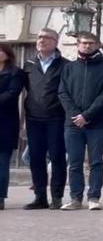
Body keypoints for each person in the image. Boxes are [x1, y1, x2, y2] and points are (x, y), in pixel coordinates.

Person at [58, 32, 103, 211]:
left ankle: (94, 197)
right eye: (84, 43)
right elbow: (62, 93)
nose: (87, 46)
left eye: (91, 43)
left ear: (97, 45)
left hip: (97, 124)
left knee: (96, 161)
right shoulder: (69, 67)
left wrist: (87, 116)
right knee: (74, 163)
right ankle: (75, 198)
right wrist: (76, 115)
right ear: (78, 45)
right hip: (72, 124)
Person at [22, 28, 69, 210]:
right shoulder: (29, 64)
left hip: (56, 118)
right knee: (36, 158)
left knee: (57, 157)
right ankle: (40, 196)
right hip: (34, 118)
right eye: (39, 37)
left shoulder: (65, 65)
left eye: (47, 38)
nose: (42, 40)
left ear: (56, 42)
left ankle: (56, 197)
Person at [0, 43, 25, 210]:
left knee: (2, 161)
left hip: (5, 123)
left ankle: (0, 196)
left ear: (7, 54)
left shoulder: (15, 73)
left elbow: (11, 94)